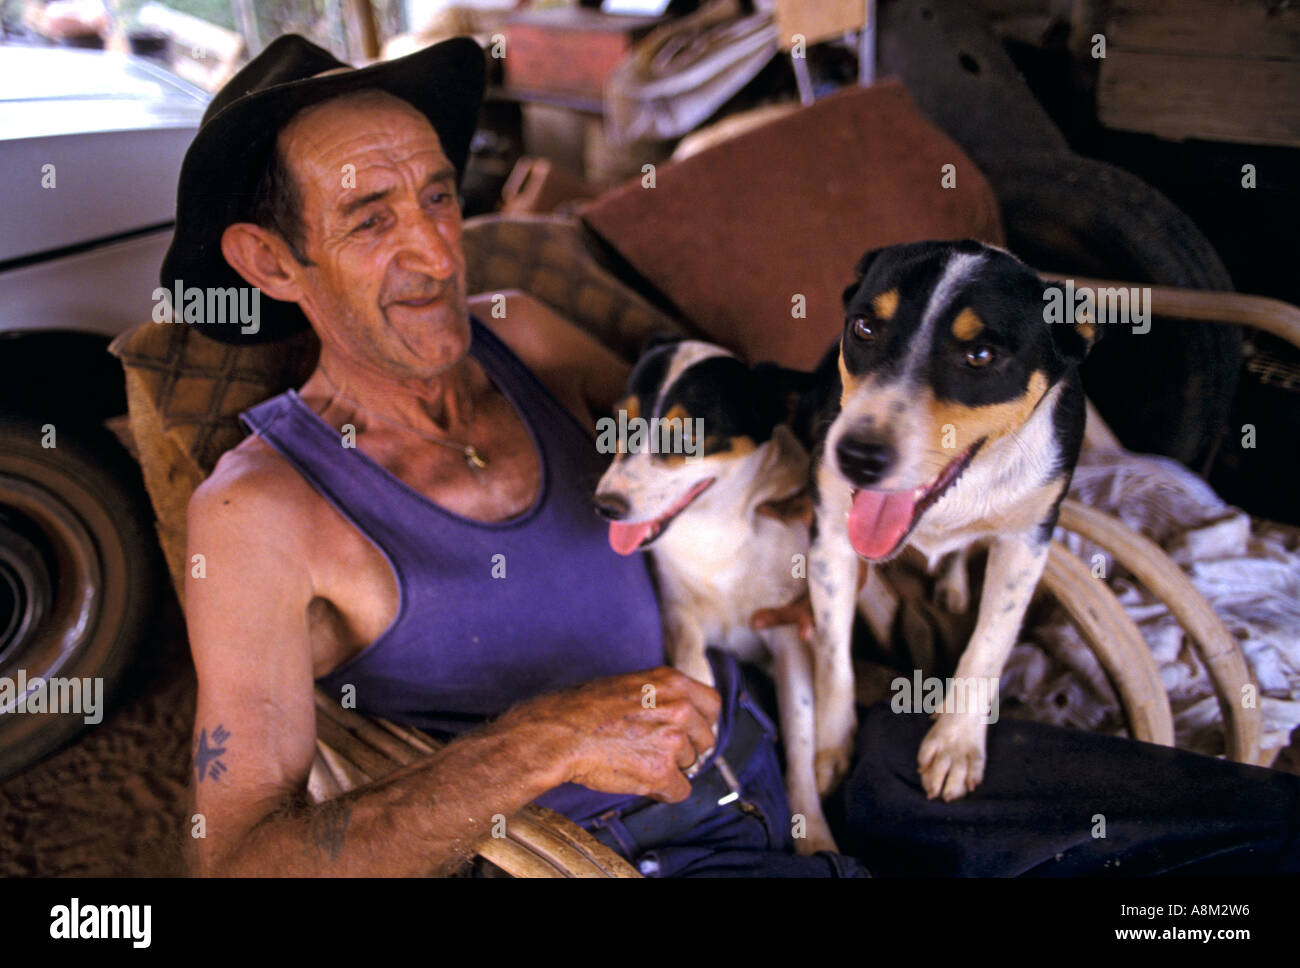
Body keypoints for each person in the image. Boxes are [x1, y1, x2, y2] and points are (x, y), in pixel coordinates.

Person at [174, 35, 1300, 878]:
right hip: (651, 848)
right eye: (371, 218)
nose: (433, 249)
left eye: (435, 196)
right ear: (270, 259)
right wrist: (537, 742)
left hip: (821, 737)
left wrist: (801, 549)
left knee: (1238, 836)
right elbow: (237, 863)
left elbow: (728, 424)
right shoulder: (264, 511)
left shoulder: (518, 333)